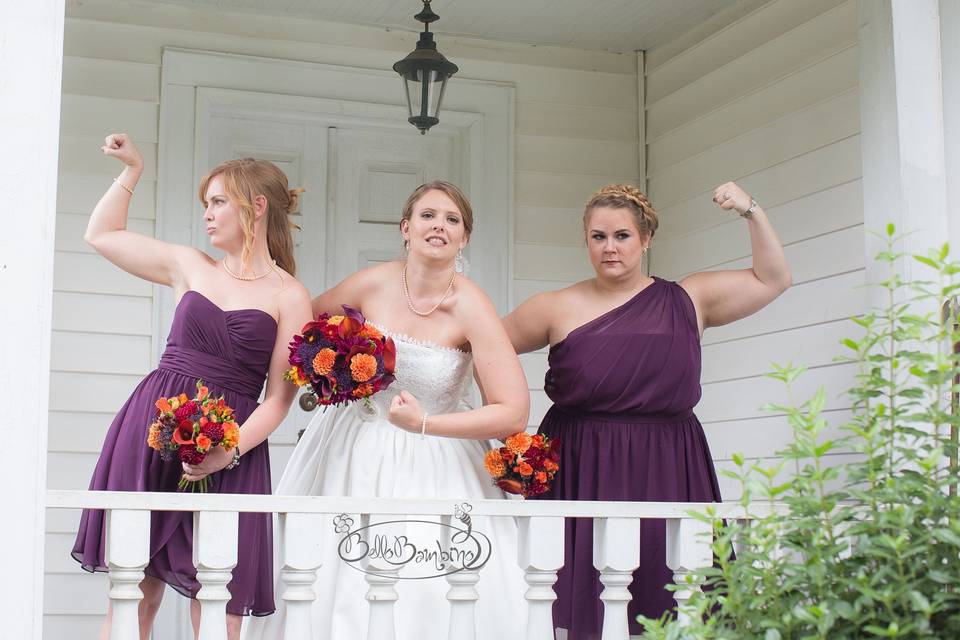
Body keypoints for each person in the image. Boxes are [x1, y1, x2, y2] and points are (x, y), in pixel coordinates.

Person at [503, 182, 792, 638]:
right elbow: (481, 349)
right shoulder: (554, 306)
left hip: (670, 464)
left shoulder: (689, 299)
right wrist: (506, 427)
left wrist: (750, 210)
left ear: (646, 239)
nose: (610, 248)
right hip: (580, 464)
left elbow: (772, 279)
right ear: (586, 240)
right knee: (579, 599)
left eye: (622, 236)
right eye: (598, 237)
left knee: (675, 589)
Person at [244, 181, 529, 640]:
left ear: (464, 237)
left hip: (436, 460)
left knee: (428, 584)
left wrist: (424, 423)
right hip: (348, 451)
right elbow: (299, 333)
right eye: (428, 216)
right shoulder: (372, 282)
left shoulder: (472, 306)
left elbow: (513, 412)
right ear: (406, 228)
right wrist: (328, 375)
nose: (439, 226)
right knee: (337, 581)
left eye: (452, 220)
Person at [71, 133, 313, 640]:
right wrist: (133, 169)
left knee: (219, 598)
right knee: (134, 588)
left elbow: (277, 401)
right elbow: (101, 233)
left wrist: (228, 451)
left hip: (232, 447)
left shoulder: (290, 296)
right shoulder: (188, 265)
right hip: (153, 429)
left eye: (219, 202)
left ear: (257, 206)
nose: (208, 213)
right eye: (207, 203)